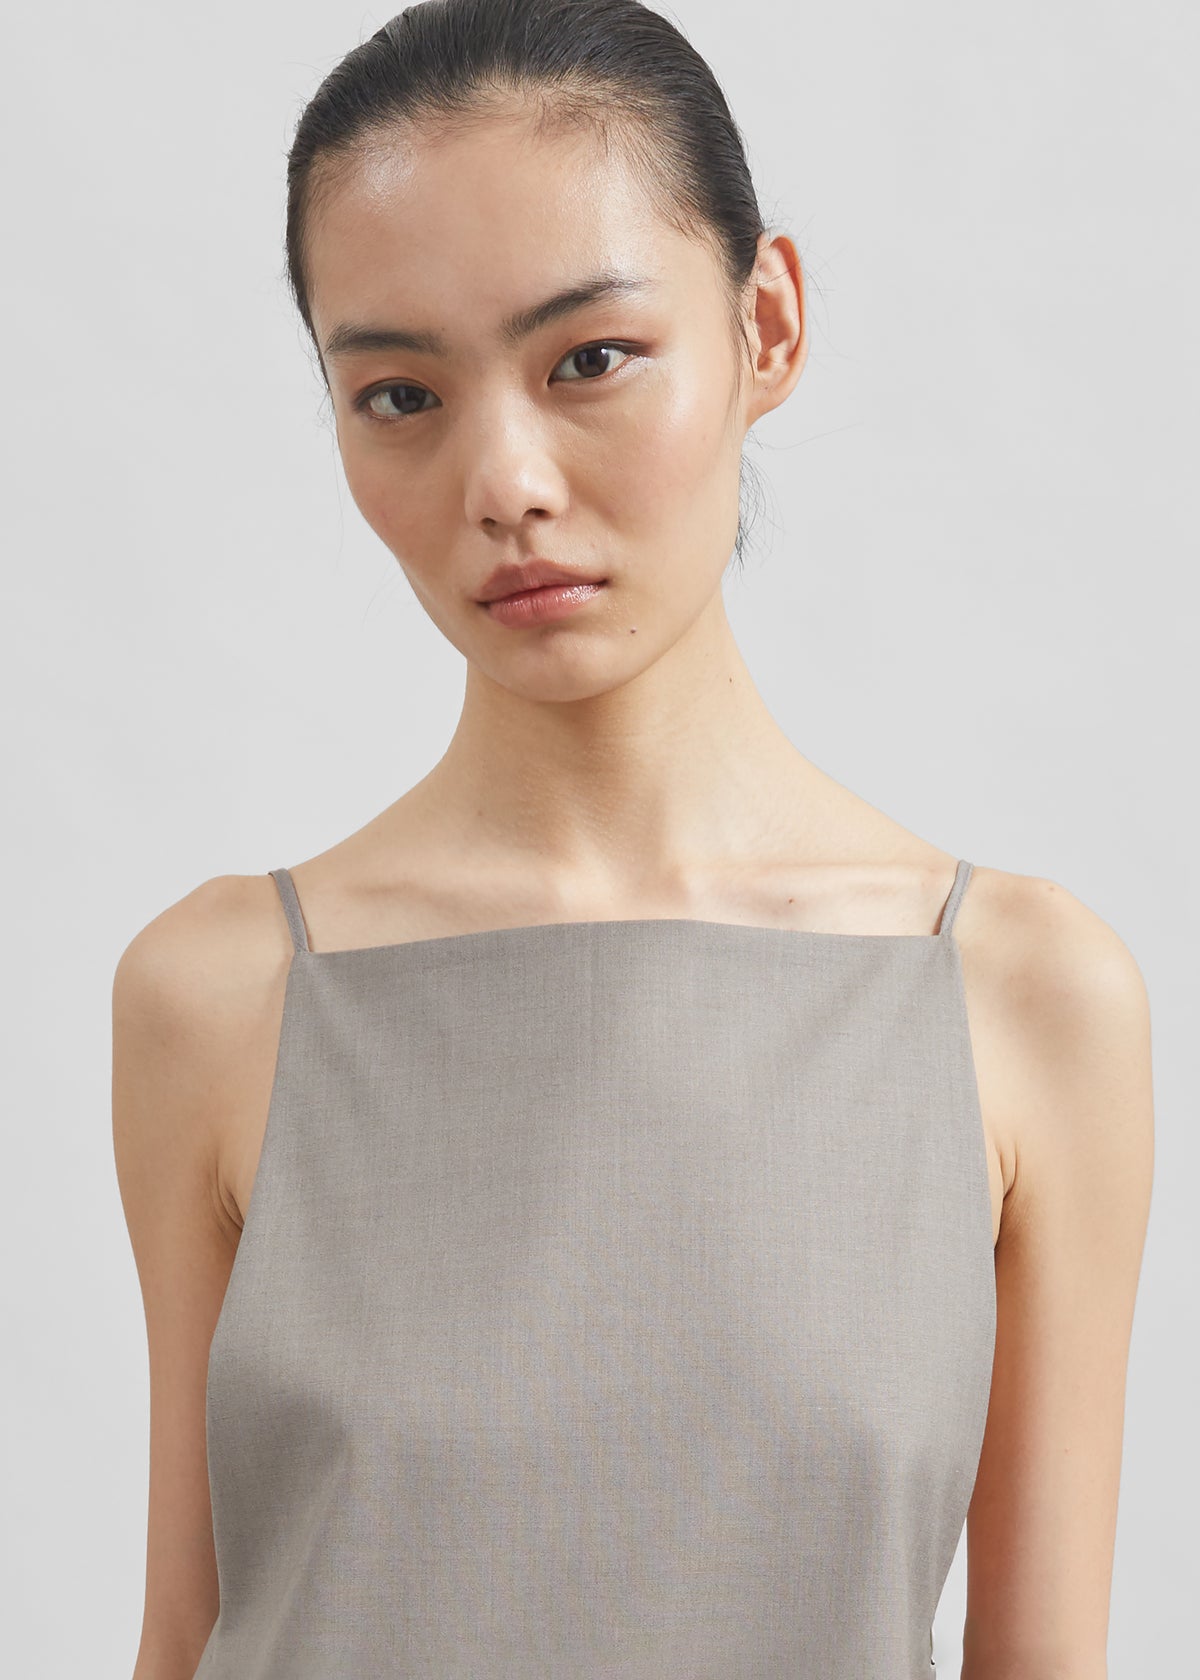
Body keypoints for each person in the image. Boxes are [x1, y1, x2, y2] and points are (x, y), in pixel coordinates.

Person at [111, 2, 1154, 1676]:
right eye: (399, 394)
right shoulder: (220, 994)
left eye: (588, 359)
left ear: (767, 326)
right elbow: (185, 1632)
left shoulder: (1021, 997)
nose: (504, 481)